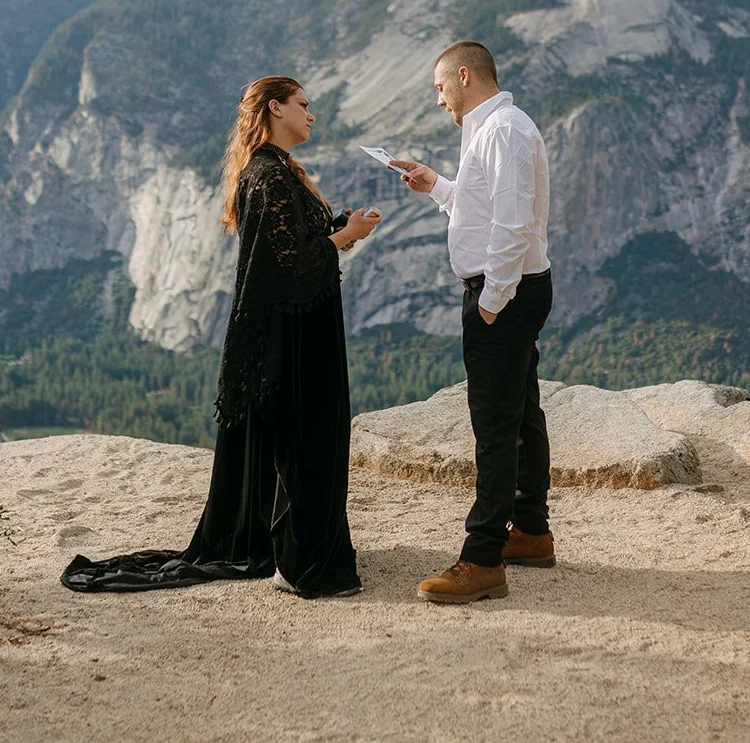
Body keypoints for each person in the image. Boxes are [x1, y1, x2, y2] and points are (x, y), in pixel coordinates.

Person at [61, 76, 380, 599]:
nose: (311, 115)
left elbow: (293, 252)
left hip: (300, 329)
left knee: (306, 443)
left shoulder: (277, 170)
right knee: (308, 444)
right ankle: (304, 565)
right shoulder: (268, 175)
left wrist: (341, 227)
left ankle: (294, 551)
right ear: (275, 108)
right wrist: (347, 235)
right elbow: (292, 267)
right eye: (303, 105)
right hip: (296, 340)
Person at [389, 41, 553, 604]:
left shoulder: (502, 130)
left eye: (440, 88)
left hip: (503, 293)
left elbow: (512, 223)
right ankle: (531, 530)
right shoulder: (493, 128)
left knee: (494, 422)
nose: (439, 100)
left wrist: (492, 300)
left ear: (464, 76)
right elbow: (484, 209)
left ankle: (483, 558)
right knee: (522, 410)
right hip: (511, 290)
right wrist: (436, 185)